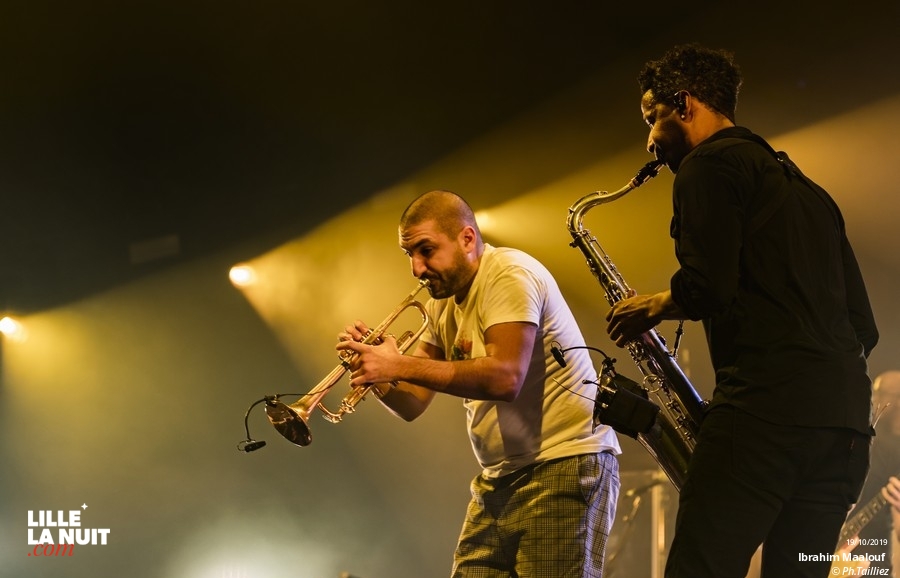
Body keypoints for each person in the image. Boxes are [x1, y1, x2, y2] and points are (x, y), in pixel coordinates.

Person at [605, 43, 879, 578]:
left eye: (651, 118)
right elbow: (864, 327)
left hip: (762, 419)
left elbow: (707, 287)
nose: (649, 141)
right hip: (842, 431)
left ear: (683, 103)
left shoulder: (707, 166)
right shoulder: (811, 191)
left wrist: (657, 305)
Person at [337, 190, 622, 578]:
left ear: (467, 239)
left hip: (563, 464)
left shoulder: (508, 273)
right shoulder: (442, 301)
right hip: (499, 480)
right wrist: (378, 374)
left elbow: (505, 378)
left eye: (426, 250)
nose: (417, 269)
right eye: (410, 255)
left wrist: (397, 363)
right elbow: (413, 403)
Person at [851, 370, 900, 576]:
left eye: (882, 392)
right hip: (844, 546)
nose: (874, 399)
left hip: (876, 554)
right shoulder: (867, 441)